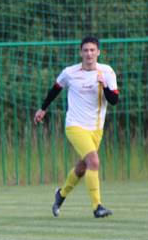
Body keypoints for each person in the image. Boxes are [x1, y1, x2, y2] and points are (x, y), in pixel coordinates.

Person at [34, 36, 120, 218]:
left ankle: (61, 195)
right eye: (86, 50)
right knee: (94, 162)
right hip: (75, 126)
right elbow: (55, 89)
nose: (89, 54)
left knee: (83, 168)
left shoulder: (106, 72)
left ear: (98, 52)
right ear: (80, 52)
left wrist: (103, 85)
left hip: (96, 129)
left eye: (92, 50)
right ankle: (97, 207)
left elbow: (113, 101)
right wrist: (43, 109)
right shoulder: (70, 72)